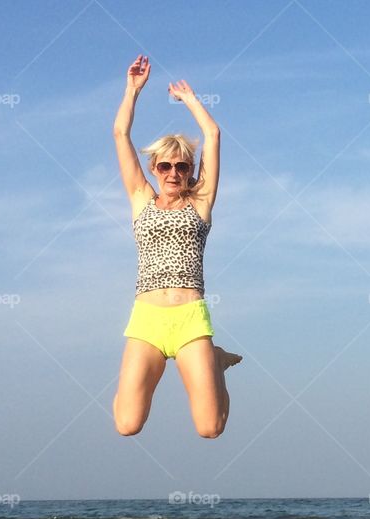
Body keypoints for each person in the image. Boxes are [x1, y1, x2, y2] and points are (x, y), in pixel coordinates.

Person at [112, 55, 240, 437]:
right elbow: (120, 135)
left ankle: (216, 363)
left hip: (189, 320)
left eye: (182, 166)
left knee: (210, 429)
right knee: (127, 425)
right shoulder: (140, 199)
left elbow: (213, 136)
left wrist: (190, 100)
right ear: (154, 169)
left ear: (190, 170)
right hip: (147, 320)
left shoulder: (201, 202)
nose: (173, 173)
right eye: (165, 166)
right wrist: (132, 90)